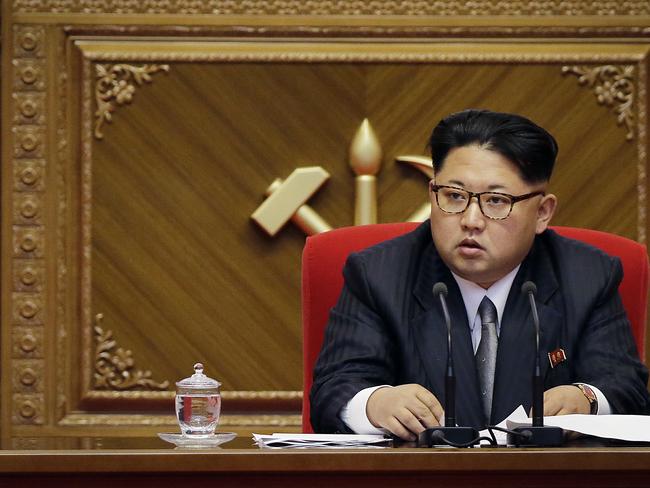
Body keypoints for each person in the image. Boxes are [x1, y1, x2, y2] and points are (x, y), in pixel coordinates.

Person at [309, 109, 650, 440]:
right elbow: (334, 388)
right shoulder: (378, 274)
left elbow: (626, 388)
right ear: (432, 194)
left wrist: (587, 399)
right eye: (454, 196)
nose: (471, 220)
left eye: (496, 201)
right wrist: (375, 403)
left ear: (543, 212)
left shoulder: (588, 276)